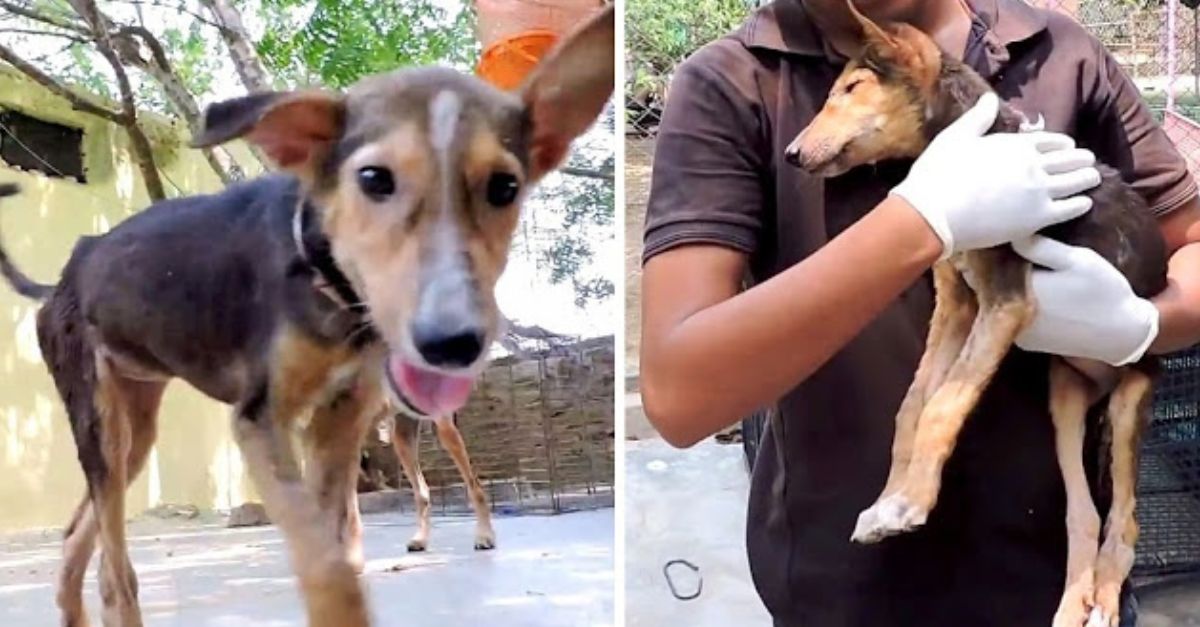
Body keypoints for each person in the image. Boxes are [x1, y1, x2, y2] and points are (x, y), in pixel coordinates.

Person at [638, 0, 1200, 625]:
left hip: (1056, 588)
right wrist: (920, 221)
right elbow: (680, 396)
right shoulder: (733, 83)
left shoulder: (1057, 50)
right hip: (846, 592)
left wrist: (1145, 324)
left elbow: (1191, 245)